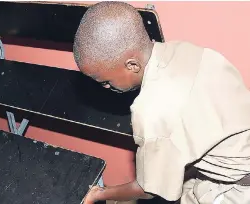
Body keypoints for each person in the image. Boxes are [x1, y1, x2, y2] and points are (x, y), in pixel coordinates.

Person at [73, 2, 250, 204]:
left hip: (238, 191)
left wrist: (99, 194)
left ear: (132, 65)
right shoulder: (185, 50)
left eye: (105, 82)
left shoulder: (152, 110)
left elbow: (147, 189)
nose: (105, 87)